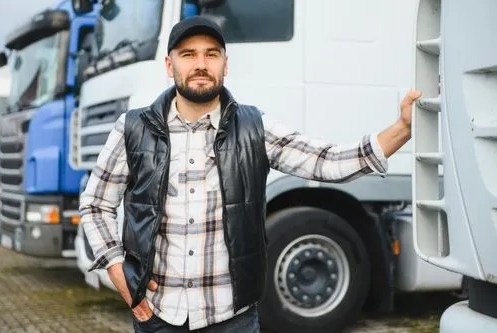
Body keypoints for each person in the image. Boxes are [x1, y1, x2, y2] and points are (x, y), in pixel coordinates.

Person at [79, 16, 421, 333]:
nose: (200, 64)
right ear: (170, 65)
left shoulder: (255, 128)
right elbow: (95, 204)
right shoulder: (133, 128)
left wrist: (401, 129)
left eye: (211, 54)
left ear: (225, 65)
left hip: (233, 319)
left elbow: (326, 161)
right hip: (158, 315)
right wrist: (115, 269)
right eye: (188, 54)